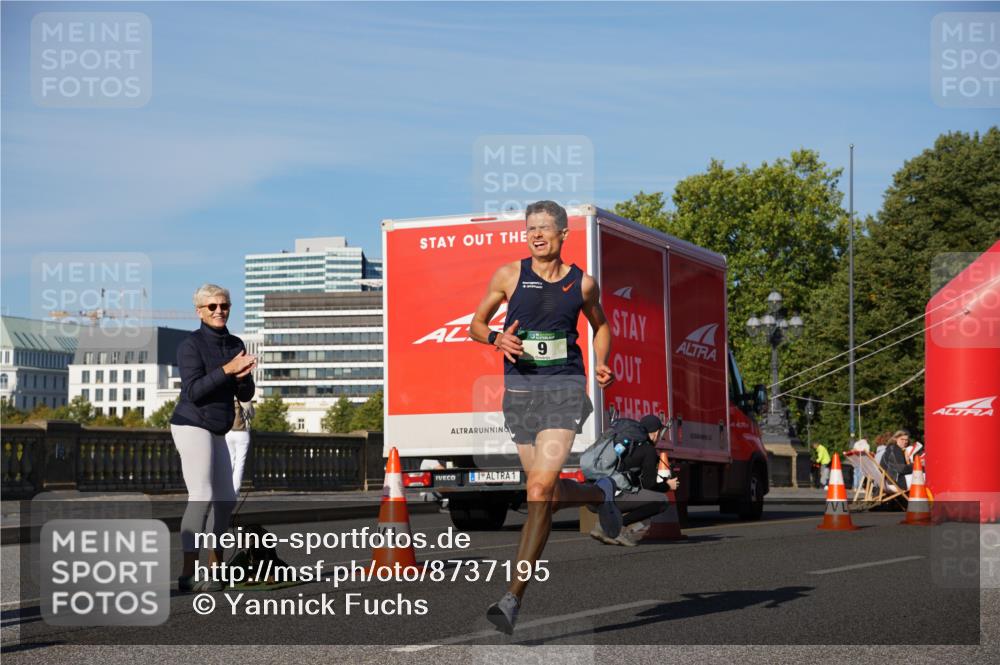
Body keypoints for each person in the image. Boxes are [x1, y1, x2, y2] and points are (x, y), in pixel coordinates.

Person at [469, 200, 618, 634]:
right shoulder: (509, 275)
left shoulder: (582, 284)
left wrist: (602, 361)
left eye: (544, 228)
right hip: (520, 395)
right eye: (530, 228)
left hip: (563, 390)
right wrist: (496, 339)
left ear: (563, 234)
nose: (535, 235)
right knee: (546, 498)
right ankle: (598, 494)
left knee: (537, 490)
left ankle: (512, 599)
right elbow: (476, 325)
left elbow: (601, 325)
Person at [170, 284, 256, 592]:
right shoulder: (190, 345)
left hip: (219, 427)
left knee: (225, 499)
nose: (219, 310)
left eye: (224, 305)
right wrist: (228, 369)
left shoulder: (235, 343)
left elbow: (245, 393)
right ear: (200, 311)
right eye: (212, 306)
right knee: (202, 493)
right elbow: (194, 391)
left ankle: (215, 567)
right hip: (191, 423)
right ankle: (188, 573)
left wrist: (243, 378)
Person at [589, 414, 681, 547]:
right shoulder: (647, 449)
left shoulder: (624, 444)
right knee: (661, 501)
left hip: (593, 497)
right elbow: (649, 484)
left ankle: (606, 527)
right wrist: (667, 485)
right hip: (612, 498)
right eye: (660, 432)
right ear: (655, 433)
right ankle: (612, 527)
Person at [225, 399, 255, 495]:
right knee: (240, 464)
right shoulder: (244, 398)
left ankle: (226, 488)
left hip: (229, 433)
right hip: (242, 433)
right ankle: (235, 491)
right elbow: (252, 414)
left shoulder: (228, 397)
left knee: (230, 461)